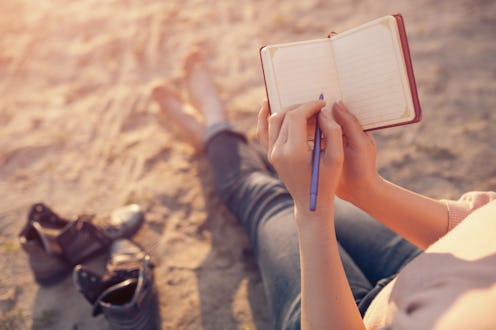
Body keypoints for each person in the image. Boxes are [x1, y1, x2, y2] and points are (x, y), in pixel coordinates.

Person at [151, 50, 496, 330]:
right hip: (431, 264)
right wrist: (366, 188)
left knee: (266, 198)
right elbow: (478, 226)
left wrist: (310, 213)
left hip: (352, 319)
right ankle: (220, 140)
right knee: (305, 171)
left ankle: (214, 125)